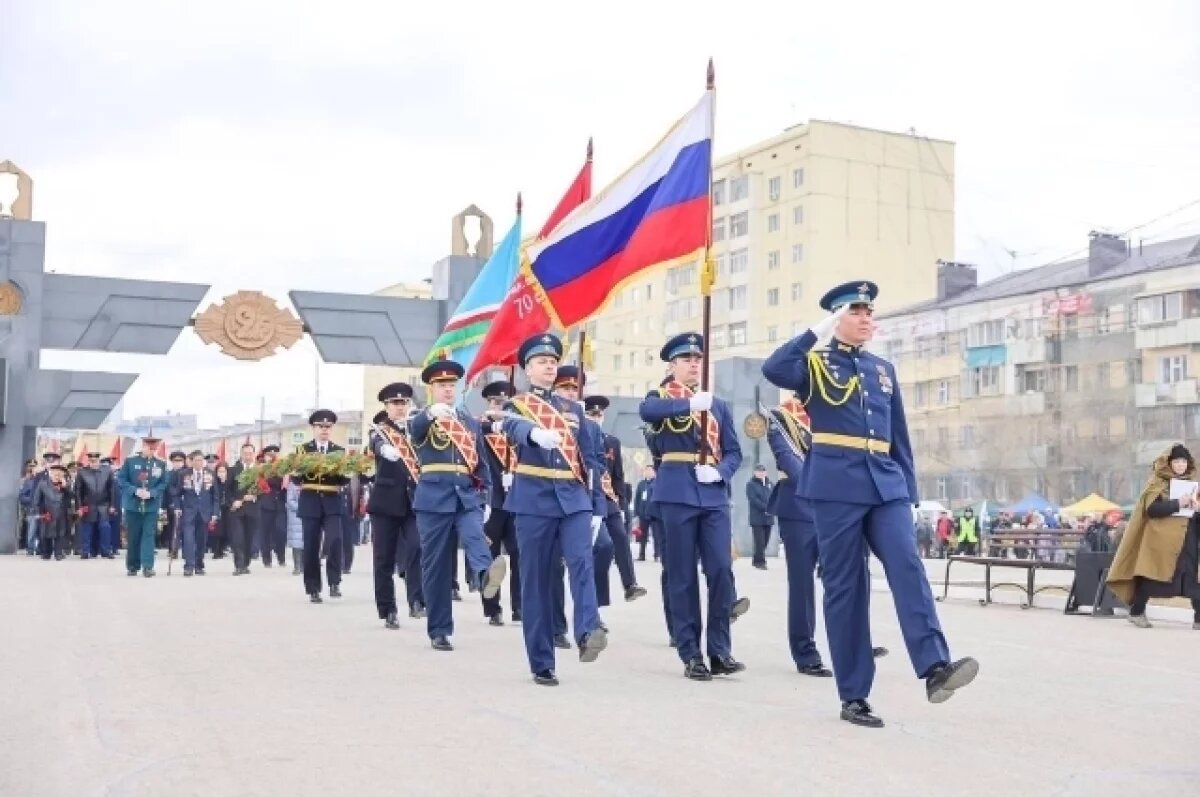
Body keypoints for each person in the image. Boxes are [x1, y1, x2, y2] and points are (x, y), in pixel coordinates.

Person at [762, 280, 978, 728]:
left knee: (907, 565)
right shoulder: (815, 364)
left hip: (885, 483)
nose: (866, 318)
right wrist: (816, 331)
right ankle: (854, 694)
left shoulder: (883, 369)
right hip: (835, 484)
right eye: (856, 311)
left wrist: (911, 492)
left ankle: (935, 667)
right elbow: (775, 369)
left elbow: (898, 434)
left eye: (869, 311)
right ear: (837, 317)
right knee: (846, 588)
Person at [496, 333, 608, 686]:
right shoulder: (518, 405)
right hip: (534, 499)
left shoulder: (575, 410)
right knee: (537, 581)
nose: (548, 366)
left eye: (552, 361)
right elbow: (510, 426)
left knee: (582, 563)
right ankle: (541, 661)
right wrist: (533, 434)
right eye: (541, 361)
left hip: (573, 498)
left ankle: (588, 631)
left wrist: (597, 507)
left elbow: (592, 461)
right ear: (528, 368)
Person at [639, 332, 745, 681]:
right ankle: (691, 653)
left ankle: (720, 650)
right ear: (672, 365)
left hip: (712, 493)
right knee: (682, 575)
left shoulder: (718, 405)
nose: (693, 364)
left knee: (720, 570)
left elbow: (734, 452)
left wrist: (718, 471)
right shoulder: (663, 396)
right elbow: (647, 411)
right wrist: (688, 405)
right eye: (686, 359)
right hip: (675, 491)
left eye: (697, 359)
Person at [409, 360, 506, 651]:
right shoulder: (423, 417)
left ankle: (484, 575)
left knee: (476, 536)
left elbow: (481, 461)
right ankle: (439, 629)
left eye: (452, 385)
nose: (448, 390)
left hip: (466, 495)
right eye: (442, 385)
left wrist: (486, 497)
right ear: (432, 389)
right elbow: (414, 432)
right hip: (433, 498)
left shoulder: (467, 421)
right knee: (436, 566)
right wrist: (429, 414)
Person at [1106, 443, 1200, 629]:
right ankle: (1136, 611)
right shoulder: (1157, 483)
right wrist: (1178, 503)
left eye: (1184, 461)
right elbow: (1151, 510)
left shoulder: (1193, 485)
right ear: (1169, 463)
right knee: (1154, 576)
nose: (1181, 465)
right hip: (1162, 541)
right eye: (1177, 461)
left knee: (1192, 576)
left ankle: (1199, 618)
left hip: (1188, 540)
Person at [368, 384, 425, 630]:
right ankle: (388, 608)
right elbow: (375, 444)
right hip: (385, 504)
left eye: (403, 403)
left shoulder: (418, 430)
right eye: (395, 404)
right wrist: (385, 450)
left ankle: (416, 601)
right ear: (387, 407)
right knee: (384, 558)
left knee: (416, 549)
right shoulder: (381, 431)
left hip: (414, 502)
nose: (400, 408)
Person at [584, 394, 648, 604]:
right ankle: (597, 600)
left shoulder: (611, 442)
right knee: (602, 547)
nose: (595, 418)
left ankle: (630, 584)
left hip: (608, 497)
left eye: (599, 414)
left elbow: (618, 476)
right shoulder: (578, 440)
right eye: (591, 414)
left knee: (620, 536)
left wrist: (621, 504)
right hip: (586, 497)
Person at [479, 379, 522, 625]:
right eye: (495, 401)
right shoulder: (480, 429)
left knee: (519, 555)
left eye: (504, 402)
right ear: (488, 403)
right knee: (491, 557)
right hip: (492, 502)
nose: (499, 405)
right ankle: (493, 608)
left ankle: (520, 607)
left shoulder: (516, 428)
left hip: (516, 501)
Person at [297, 410, 348, 603]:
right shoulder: (303, 451)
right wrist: (295, 471)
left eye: (328, 427)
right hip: (310, 501)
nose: (324, 430)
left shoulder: (339, 451)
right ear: (314, 428)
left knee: (335, 540)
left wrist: (348, 473)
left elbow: (342, 480)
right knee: (311, 545)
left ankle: (334, 582)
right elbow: (295, 479)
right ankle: (313, 588)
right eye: (320, 426)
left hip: (332, 501)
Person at [116, 435, 170, 577]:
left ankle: (148, 566)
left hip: (151, 505)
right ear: (143, 446)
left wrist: (152, 493)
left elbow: (164, 483)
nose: (151, 451)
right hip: (133, 505)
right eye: (148, 448)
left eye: (154, 449)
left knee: (148, 535)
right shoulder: (131, 461)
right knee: (133, 536)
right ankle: (133, 565)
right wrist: (135, 491)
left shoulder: (160, 464)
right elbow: (121, 479)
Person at [176, 450, 219, 576]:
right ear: (191, 461)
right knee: (188, 539)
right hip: (189, 511)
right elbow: (178, 493)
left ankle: (199, 564)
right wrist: (177, 507)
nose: (199, 463)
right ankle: (189, 566)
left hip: (205, 512)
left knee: (201, 540)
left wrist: (215, 512)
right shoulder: (184, 474)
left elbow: (215, 495)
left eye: (201, 460)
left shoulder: (210, 474)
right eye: (196, 460)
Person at [74, 451, 118, 559]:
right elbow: (78, 491)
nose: (93, 463)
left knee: (105, 527)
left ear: (99, 461)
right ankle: (85, 551)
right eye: (91, 461)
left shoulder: (107, 471)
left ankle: (106, 551)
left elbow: (112, 489)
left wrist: (112, 505)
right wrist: (79, 507)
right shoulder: (82, 472)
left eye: (95, 461)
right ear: (88, 461)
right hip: (88, 505)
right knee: (87, 528)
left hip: (104, 505)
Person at [226, 443, 260, 576]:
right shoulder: (234, 470)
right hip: (237, 510)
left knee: (249, 539)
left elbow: (264, 490)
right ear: (241, 454)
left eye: (250, 453)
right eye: (245, 453)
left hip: (252, 510)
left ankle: (246, 563)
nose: (247, 456)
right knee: (237, 538)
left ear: (254, 454)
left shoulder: (259, 470)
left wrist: (255, 496)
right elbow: (227, 490)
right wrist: (233, 501)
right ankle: (239, 565)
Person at [257, 445, 288, 568]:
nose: (272, 456)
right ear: (265, 456)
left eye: (275, 453)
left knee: (281, 532)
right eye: (269, 454)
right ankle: (266, 558)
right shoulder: (261, 469)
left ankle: (281, 557)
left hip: (280, 504)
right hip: (265, 504)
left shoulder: (283, 469)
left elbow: (284, 483)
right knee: (265, 533)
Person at [746, 464, 775, 569]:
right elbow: (753, 500)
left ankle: (756, 559)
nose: (761, 473)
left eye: (763, 471)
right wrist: (766, 508)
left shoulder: (770, 484)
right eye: (759, 471)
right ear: (755, 472)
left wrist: (772, 508)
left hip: (768, 518)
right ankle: (760, 562)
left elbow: (774, 497)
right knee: (759, 541)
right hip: (757, 518)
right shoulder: (751, 484)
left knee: (765, 541)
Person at [633, 465, 660, 562]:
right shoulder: (641, 484)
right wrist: (636, 513)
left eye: (650, 470)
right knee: (642, 535)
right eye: (646, 470)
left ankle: (657, 554)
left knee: (656, 535)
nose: (647, 472)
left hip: (654, 515)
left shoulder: (657, 483)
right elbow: (637, 499)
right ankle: (642, 554)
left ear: (654, 472)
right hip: (643, 514)